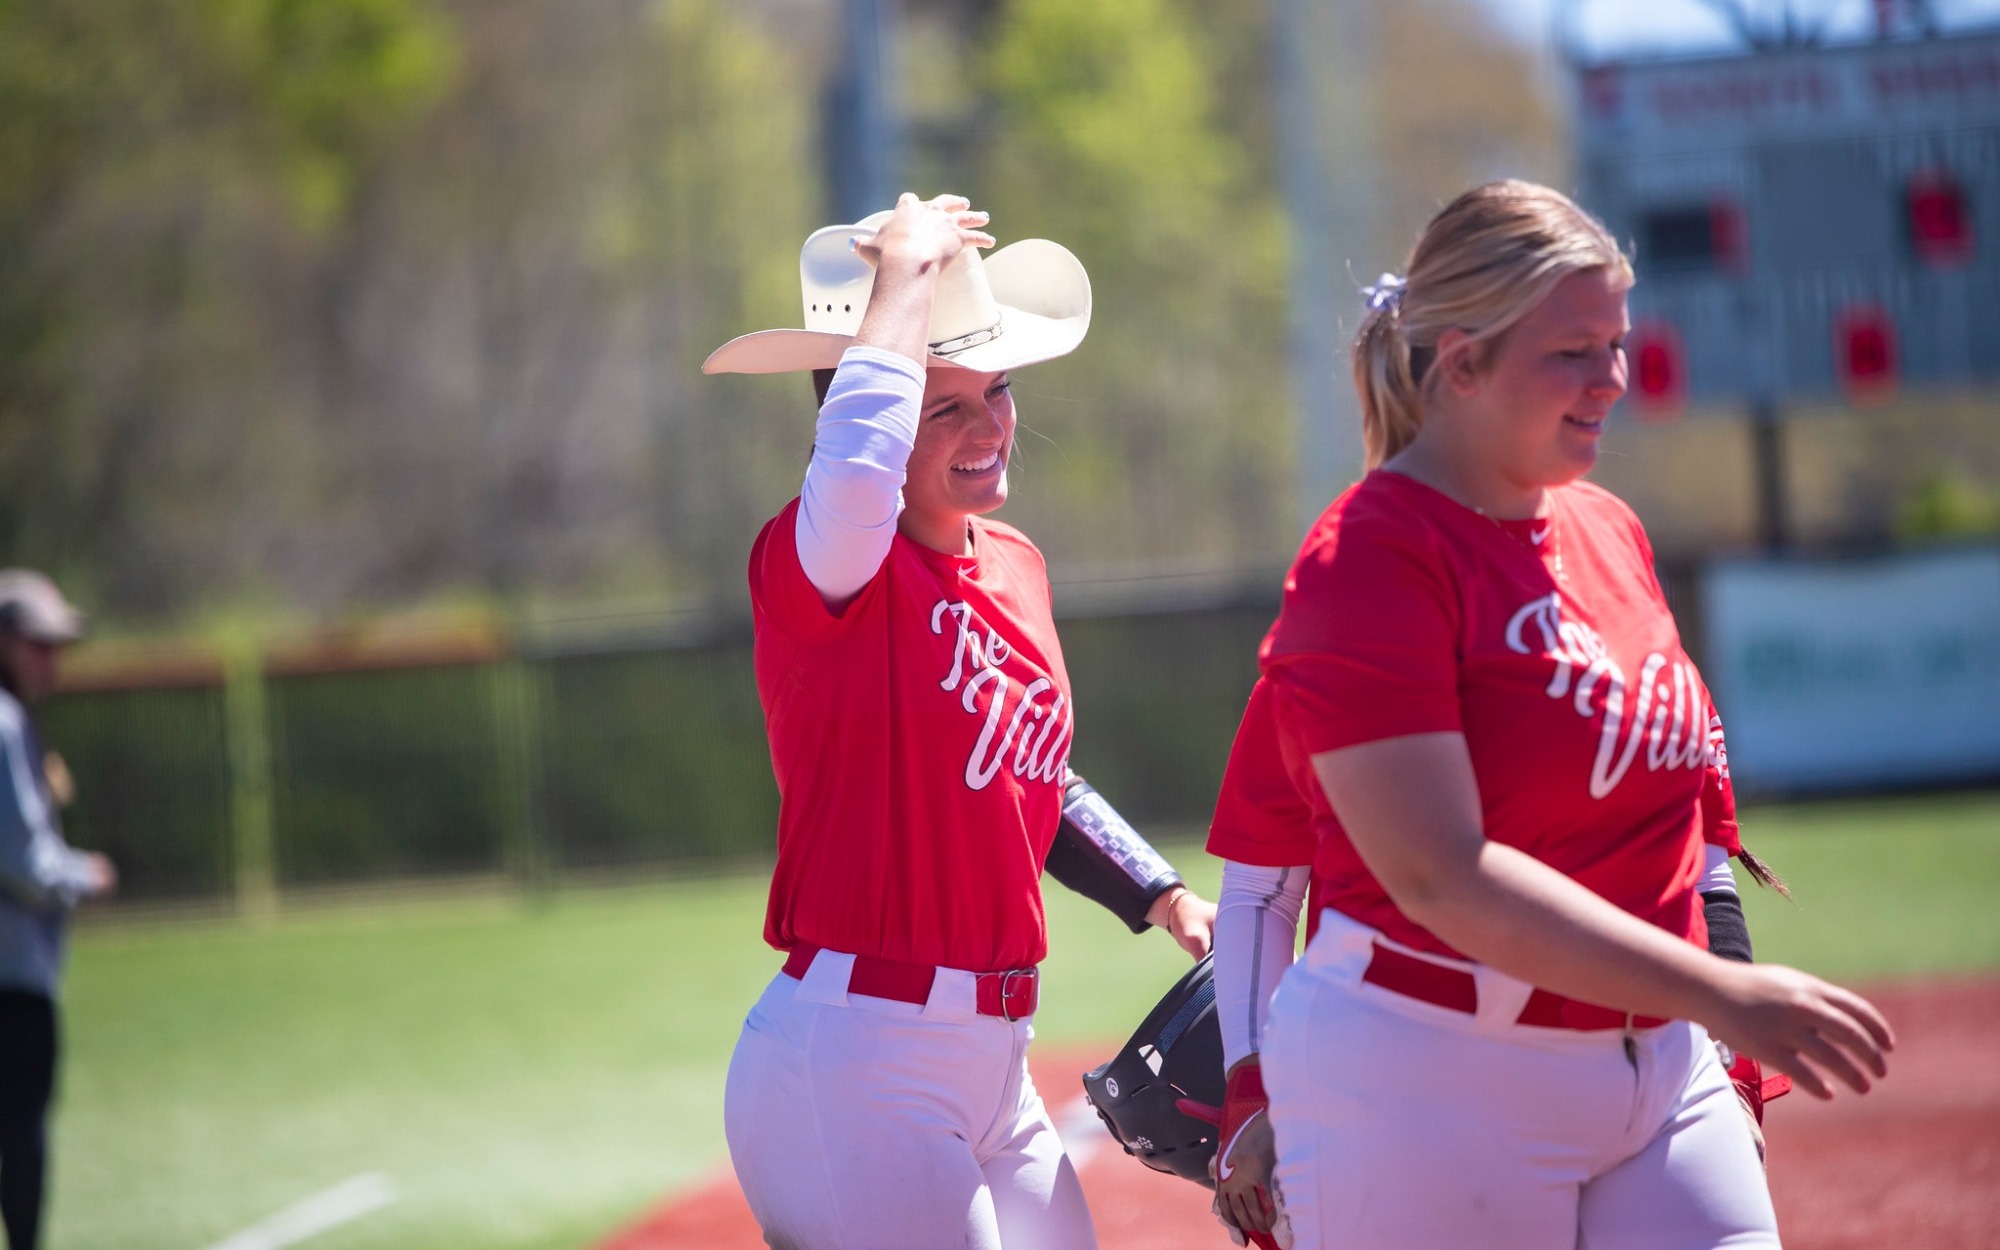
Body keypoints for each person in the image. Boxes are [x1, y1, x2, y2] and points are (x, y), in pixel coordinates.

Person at [1227, 181, 1894, 1249]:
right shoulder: (1368, 557)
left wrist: (1711, 1027)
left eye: (1616, 342)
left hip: (1657, 1069)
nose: (1610, 380)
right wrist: (1725, 994)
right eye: (1570, 351)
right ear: (1459, 363)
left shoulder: (1607, 528)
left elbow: (1686, 830)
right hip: (1428, 1073)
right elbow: (1439, 872)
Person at [702, 192, 1215, 1250]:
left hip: (992, 1057)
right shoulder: (828, 561)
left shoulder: (1014, 562)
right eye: (945, 407)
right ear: (875, 400)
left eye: (999, 390)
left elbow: (1036, 774)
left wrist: (1160, 891)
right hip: (854, 1056)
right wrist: (900, 278)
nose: (988, 427)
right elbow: (852, 472)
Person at [0, 570, 116, 1250]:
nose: (52, 657)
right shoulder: (5, 722)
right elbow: (22, 862)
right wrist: (84, 876)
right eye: (36, 642)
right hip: (11, 974)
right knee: (20, 1129)